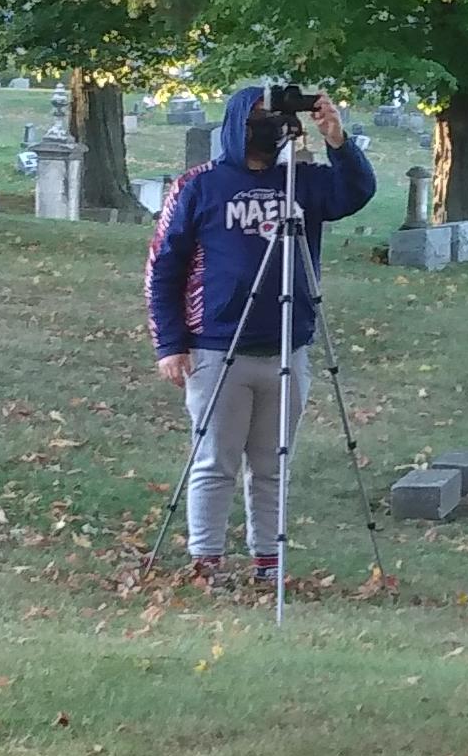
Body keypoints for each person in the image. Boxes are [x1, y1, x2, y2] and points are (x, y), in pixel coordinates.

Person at [146, 85, 378, 587]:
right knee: (215, 461)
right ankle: (206, 561)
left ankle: (268, 564)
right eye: (256, 117)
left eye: (272, 117)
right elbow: (164, 266)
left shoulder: (302, 182)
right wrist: (170, 343)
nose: (266, 126)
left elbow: (356, 193)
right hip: (216, 345)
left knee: (272, 465)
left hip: (286, 347)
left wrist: (337, 140)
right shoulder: (199, 186)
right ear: (235, 123)